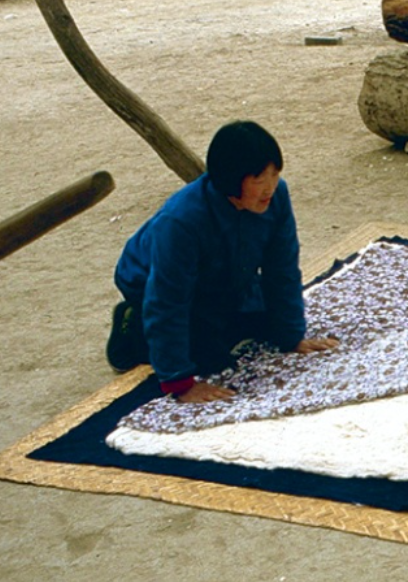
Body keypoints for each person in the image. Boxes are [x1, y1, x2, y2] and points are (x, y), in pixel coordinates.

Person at [107, 121, 338, 403]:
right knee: (210, 357)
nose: (269, 188)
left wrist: (292, 336)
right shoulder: (181, 221)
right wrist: (180, 383)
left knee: (262, 321)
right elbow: (168, 299)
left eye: (275, 175)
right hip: (154, 282)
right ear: (231, 179)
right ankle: (132, 325)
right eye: (258, 180)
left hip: (225, 274)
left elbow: (283, 267)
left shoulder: (277, 196)